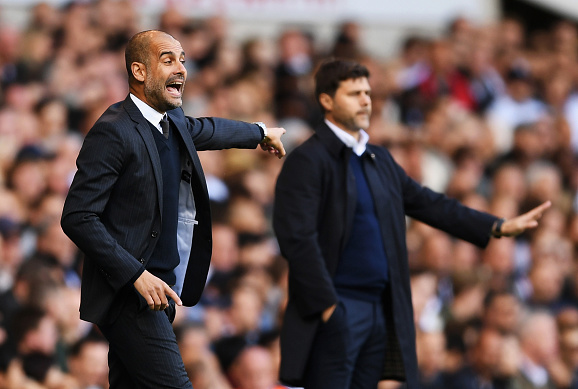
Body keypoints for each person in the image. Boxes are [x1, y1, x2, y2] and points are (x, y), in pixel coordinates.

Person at [272, 59, 550, 389]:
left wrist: (496, 226)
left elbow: (429, 204)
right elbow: (297, 238)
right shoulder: (307, 160)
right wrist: (329, 307)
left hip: (382, 308)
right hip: (338, 309)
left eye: (368, 93)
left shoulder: (379, 159)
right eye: (354, 93)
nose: (365, 101)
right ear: (327, 101)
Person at [61, 30, 286, 389]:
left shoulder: (172, 122)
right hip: (128, 295)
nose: (181, 68)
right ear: (139, 71)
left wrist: (258, 133)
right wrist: (135, 274)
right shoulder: (113, 131)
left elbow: (207, 130)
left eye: (182, 59)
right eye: (168, 60)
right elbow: (77, 216)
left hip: (159, 292)